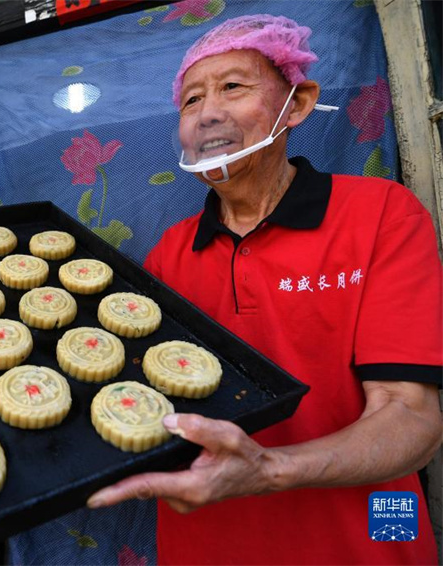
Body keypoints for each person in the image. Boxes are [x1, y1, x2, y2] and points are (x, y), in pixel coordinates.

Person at [86, 14, 443, 565]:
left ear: (296, 105)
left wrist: (271, 469)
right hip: (207, 542)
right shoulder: (168, 255)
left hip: (367, 535)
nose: (207, 114)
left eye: (232, 87)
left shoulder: (380, 214)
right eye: (190, 101)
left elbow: (413, 418)